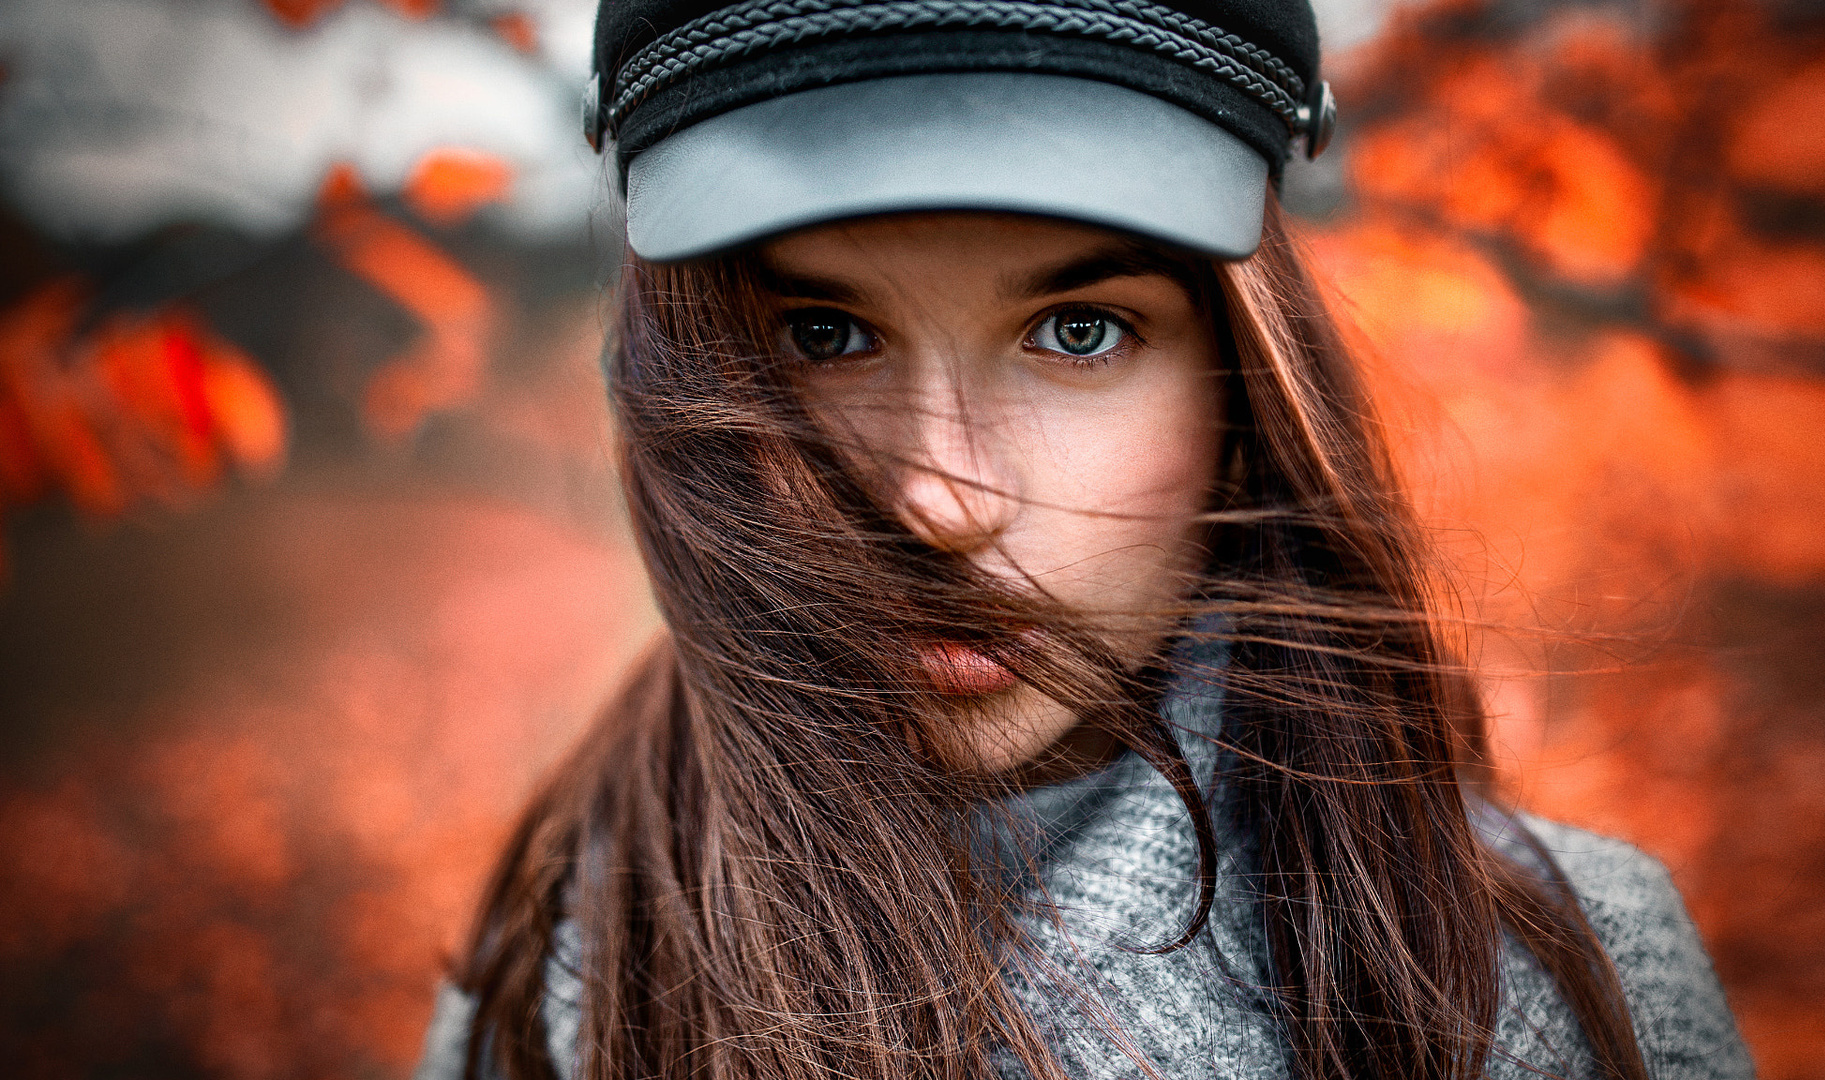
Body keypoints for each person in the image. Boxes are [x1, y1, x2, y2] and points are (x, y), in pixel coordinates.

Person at [415, 0, 1756, 1078]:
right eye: (825, 335)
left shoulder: (1554, 979)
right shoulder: (558, 977)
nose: (940, 499)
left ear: (1243, 383)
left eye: (1078, 332)